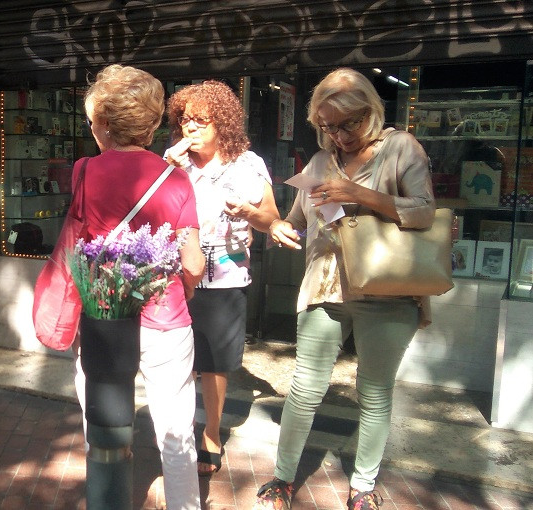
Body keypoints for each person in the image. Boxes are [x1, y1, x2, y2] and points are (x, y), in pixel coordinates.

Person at [257, 68, 435, 510]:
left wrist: (360, 193)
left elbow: (425, 212)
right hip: (324, 288)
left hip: (389, 291)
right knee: (304, 389)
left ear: (370, 111)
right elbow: (295, 220)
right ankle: (282, 478)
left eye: (348, 123)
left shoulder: (401, 148)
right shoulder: (319, 163)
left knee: (374, 392)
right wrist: (278, 226)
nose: (338, 135)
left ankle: (362, 486)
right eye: (328, 126)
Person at [74, 64, 206, 510]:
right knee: (175, 431)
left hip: (104, 317)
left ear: (105, 124)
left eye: (93, 120)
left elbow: (77, 246)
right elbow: (192, 261)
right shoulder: (177, 178)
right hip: (165, 320)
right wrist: (188, 281)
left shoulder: (85, 172)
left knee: (103, 426)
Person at [164, 81, 279, 477]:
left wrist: (249, 212)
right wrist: (165, 171)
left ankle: (211, 433)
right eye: (184, 120)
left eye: (200, 121)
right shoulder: (171, 163)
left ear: (223, 123)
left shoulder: (248, 164)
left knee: (214, 362)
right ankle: (179, 431)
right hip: (175, 274)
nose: (189, 129)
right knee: (176, 358)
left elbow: (271, 220)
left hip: (225, 277)